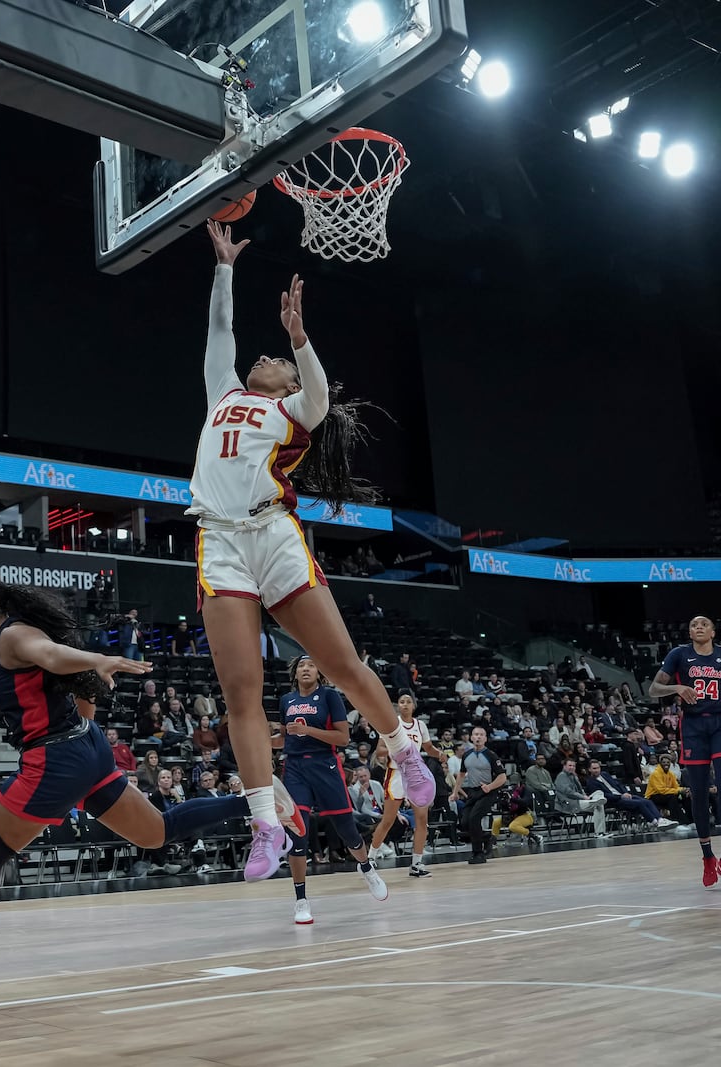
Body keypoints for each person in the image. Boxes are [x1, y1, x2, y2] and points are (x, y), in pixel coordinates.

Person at [184, 222, 436, 881]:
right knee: (241, 692)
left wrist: (302, 338)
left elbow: (321, 397)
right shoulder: (224, 394)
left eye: (279, 359)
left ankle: (403, 752)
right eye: (269, 353)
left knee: (344, 664)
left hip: (273, 536)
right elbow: (219, 335)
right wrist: (223, 270)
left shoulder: (294, 410)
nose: (263, 357)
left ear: (287, 379)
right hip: (220, 543)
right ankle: (266, 822)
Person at [0, 578, 259, 1003]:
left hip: (55, 759)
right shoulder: (20, 636)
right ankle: (257, 799)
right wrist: (86, 729)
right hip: (85, 747)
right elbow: (71, 680)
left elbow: (52, 655)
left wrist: (98, 658)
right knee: (156, 832)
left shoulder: (11, 635)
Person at [271, 655, 388, 924]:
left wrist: (308, 730)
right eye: (301, 665)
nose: (306, 668)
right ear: (295, 672)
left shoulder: (330, 697)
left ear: (319, 673)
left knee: (347, 830)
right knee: (297, 832)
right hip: (296, 769)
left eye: (312, 664)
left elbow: (343, 738)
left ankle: (367, 867)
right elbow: (286, 738)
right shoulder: (286, 701)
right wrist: (264, 741)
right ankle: (301, 901)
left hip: (326, 766)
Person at [649, 615, 721, 889]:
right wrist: (677, 687)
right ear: (689, 632)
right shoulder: (679, 655)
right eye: (693, 625)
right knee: (699, 792)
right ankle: (707, 857)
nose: (698, 627)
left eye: (703, 624)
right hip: (693, 726)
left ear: (713, 631)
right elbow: (654, 688)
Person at [365, 693, 443, 876]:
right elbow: (380, 751)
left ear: (414, 706)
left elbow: (429, 748)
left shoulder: (420, 725)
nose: (405, 704)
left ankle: (416, 864)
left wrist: (440, 754)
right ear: (398, 706)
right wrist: (397, 752)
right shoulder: (391, 724)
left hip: (415, 775)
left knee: (422, 820)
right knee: (388, 819)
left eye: (408, 702)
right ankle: (370, 858)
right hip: (396, 775)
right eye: (402, 702)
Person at [451, 726, 508, 864]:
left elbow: (502, 777)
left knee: (474, 818)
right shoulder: (466, 754)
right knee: (464, 822)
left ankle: (478, 853)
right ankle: (487, 837)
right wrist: (455, 792)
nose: (478, 737)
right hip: (472, 792)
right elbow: (461, 774)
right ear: (471, 737)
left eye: (481, 735)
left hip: (488, 791)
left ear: (485, 738)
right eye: (476, 734)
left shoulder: (491, 756)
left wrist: (489, 787)